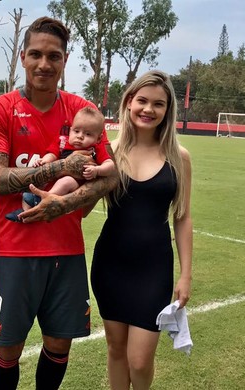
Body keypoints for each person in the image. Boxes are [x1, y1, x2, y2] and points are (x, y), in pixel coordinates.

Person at [0, 16, 118, 390]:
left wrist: (63, 204)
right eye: (35, 54)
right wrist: (60, 166)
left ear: (64, 60)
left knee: (59, 342)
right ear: (22, 57)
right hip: (16, 248)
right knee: (9, 347)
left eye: (53, 56)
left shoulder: (82, 112)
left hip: (67, 249)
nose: (44, 64)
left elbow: (111, 175)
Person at [90, 70, 193, 390]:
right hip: (111, 264)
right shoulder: (110, 152)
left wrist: (186, 274)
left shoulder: (179, 157)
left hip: (154, 268)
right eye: (142, 101)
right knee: (116, 350)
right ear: (129, 102)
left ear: (168, 110)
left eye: (158, 104)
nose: (148, 109)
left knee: (140, 359)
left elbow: (183, 216)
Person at [5, 106, 115, 222]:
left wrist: (97, 170)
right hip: (55, 177)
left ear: (98, 138)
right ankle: (24, 210)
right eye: (76, 131)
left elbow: (110, 165)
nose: (80, 136)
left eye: (88, 134)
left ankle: (44, 201)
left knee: (66, 181)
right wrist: (44, 161)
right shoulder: (62, 141)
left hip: (76, 184)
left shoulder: (96, 148)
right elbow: (52, 154)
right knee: (38, 177)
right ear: (71, 130)